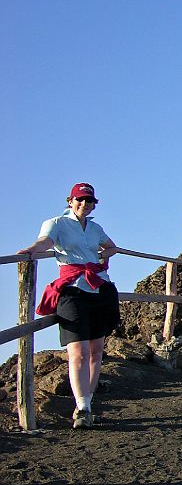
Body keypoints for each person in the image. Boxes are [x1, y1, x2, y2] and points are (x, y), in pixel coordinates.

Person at [19, 183, 120, 428]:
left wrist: (102, 256)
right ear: (70, 201)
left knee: (97, 350)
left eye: (89, 201)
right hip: (73, 289)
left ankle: (88, 403)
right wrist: (31, 251)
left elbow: (112, 247)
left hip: (99, 287)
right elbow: (45, 242)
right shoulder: (56, 223)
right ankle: (81, 406)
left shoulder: (95, 227)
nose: (84, 204)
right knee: (78, 352)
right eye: (80, 200)